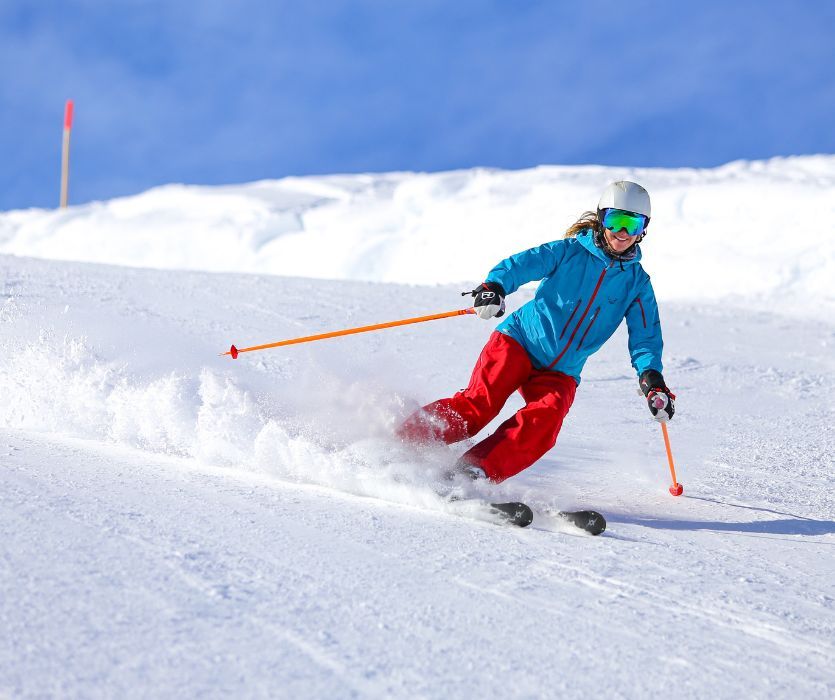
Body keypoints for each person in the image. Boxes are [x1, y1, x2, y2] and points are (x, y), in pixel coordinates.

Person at [396, 181, 675, 483]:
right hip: (519, 342)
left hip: (561, 371)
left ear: (643, 229)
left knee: (545, 421)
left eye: (632, 223)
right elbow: (521, 265)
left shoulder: (637, 283)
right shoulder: (568, 252)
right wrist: (495, 287)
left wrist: (652, 379)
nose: (622, 232)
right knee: (478, 407)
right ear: (601, 218)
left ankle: (471, 474)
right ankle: (400, 441)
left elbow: (645, 336)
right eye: (615, 220)